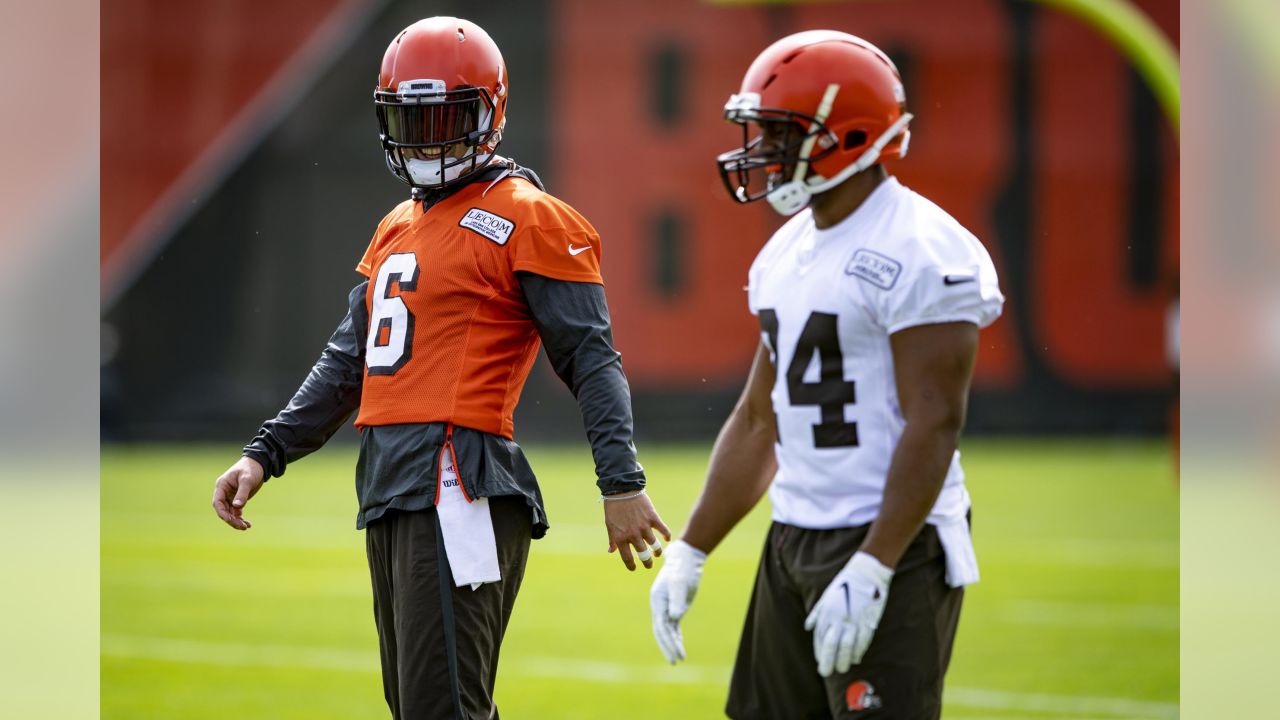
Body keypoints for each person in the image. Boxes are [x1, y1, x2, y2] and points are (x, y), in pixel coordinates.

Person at [209, 16, 670, 720]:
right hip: (390, 480)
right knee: (418, 706)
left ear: (489, 115)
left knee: (443, 707)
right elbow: (348, 358)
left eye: (444, 118)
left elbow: (591, 358)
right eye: (410, 119)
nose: (426, 138)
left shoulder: (530, 215)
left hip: (459, 479)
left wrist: (621, 480)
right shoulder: (398, 222)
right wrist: (266, 453)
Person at [649, 31, 1004, 719]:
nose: (765, 152)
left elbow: (934, 423)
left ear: (847, 137)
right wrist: (692, 549)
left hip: (891, 540)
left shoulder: (923, 249)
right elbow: (760, 418)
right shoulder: (788, 249)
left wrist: (876, 564)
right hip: (793, 536)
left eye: (781, 134)